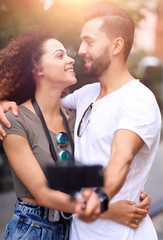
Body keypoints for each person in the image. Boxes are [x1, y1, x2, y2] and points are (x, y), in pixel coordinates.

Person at [0, 26, 150, 240]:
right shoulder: (14, 119)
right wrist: (108, 209)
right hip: (33, 228)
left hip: (72, 227)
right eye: (59, 55)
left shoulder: (77, 114)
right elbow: (42, 192)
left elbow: (94, 168)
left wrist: (133, 192)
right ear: (37, 69)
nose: (70, 59)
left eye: (67, 54)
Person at [60, 3, 162, 240]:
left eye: (90, 41)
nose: (82, 49)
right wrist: (5, 100)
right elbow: (44, 100)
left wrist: (101, 197)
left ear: (116, 46)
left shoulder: (138, 100)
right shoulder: (86, 94)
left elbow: (121, 155)